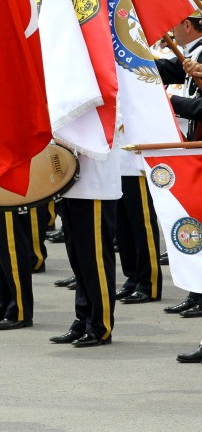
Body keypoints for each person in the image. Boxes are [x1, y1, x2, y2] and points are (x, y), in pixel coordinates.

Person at [49, 143, 121, 347]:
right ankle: (83, 319)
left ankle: (100, 326)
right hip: (69, 183)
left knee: (95, 262)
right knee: (79, 261)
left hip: (95, 185)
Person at [156, 12, 202, 317]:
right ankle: (196, 292)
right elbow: (166, 69)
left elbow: (199, 107)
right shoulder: (194, 53)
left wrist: (167, 103)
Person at [115, 146, 162, 304]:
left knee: (142, 227)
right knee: (123, 229)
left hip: (136, 164)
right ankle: (133, 278)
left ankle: (148, 283)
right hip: (116, 164)